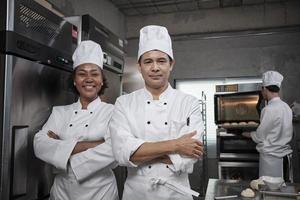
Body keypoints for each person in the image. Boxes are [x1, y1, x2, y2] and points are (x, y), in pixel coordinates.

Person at [109, 25, 204, 200]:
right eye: (148, 61)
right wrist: (176, 145)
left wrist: (139, 153)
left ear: (171, 64)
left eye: (161, 61)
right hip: (137, 194)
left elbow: (190, 156)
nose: (155, 67)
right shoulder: (124, 103)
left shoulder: (189, 102)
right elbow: (121, 155)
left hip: (176, 194)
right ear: (139, 66)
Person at [34, 40, 118, 200]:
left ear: (101, 80)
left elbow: (115, 151)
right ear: (74, 80)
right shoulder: (60, 112)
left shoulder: (112, 112)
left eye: (94, 73)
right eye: (82, 73)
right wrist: (96, 144)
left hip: (101, 193)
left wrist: (60, 149)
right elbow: (39, 144)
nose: (88, 79)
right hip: (62, 194)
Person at [243, 70, 293, 180]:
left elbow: (260, 136)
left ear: (265, 88)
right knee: (283, 191)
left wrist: (248, 134)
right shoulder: (286, 107)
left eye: (262, 89)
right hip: (284, 156)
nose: (262, 92)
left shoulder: (268, 109)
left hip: (271, 159)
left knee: (269, 191)